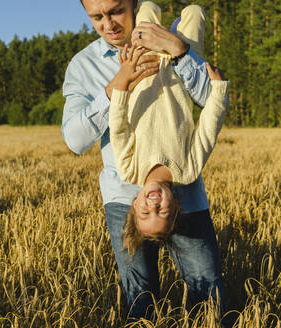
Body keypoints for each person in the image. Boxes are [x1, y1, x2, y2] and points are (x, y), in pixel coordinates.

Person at [62, 0, 227, 322]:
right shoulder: (84, 65)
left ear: (136, 5)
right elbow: (75, 141)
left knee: (208, 291)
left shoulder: (173, 41)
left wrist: (179, 51)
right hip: (122, 194)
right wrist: (117, 87)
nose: (108, 24)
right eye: (96, 17)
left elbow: (214, 101)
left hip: (185, 195)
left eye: (116, 11)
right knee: (141, 297)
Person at [108, 2, 229, 254]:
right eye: (161, 211)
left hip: (144, 66)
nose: (153, 204)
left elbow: (118, 128)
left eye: (145, 212)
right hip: (180, 69)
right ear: (175, 206)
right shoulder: (187, 172)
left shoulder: (129, 171)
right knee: (195, 12)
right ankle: (177, 28)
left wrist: (122, 80)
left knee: (149, 6)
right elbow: (208, 129)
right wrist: (218, 91)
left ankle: (166, 26)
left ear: (134, 204)